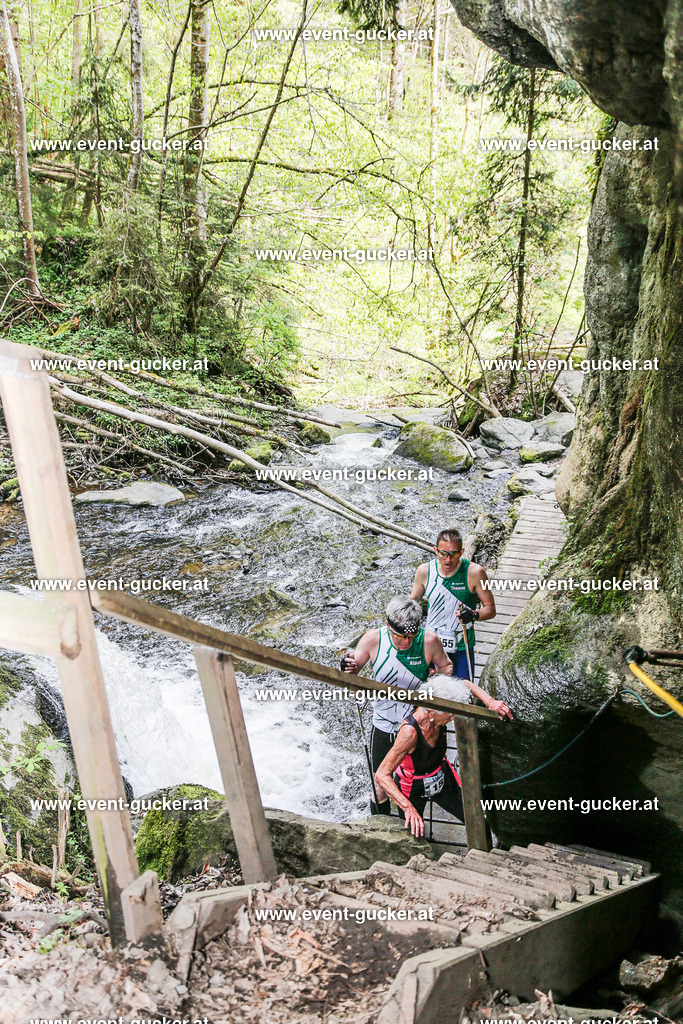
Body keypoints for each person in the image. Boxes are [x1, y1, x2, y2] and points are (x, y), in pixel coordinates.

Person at [342, 596, 453, 814]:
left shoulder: (429, 641)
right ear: (388, 625)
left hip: (416, 726)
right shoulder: (373, 639)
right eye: (400, 636)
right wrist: (348, 667)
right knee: (379, 786)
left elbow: (447, 667)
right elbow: (352, 673)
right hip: (384, 723)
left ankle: (409, 823)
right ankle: (380, 829)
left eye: (411, 636)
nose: (406, 642)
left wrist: (433, 684)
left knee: (410, 782)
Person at [410, 527, 513, 720]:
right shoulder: (424, 571)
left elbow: (490, 609)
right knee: (426, 696)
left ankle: (463, 735)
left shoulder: (475, 572)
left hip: (461, 644)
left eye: (454, 554)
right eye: (443, 554)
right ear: (435, 550)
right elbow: (411, 604)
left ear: (462, 552)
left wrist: (473, 615)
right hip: (431, 644)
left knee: (464, 698)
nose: (448, 560)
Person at [375, 674, 471, 837]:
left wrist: (491, 702)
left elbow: (466, 684)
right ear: (432, 711)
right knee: (414, 834)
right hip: (413, 787)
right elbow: (381, 774)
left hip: (440, 774)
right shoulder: (409, 732)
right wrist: (407, 807)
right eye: (450, 714)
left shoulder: (437, 715)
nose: (453, 718)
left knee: (474, 818)